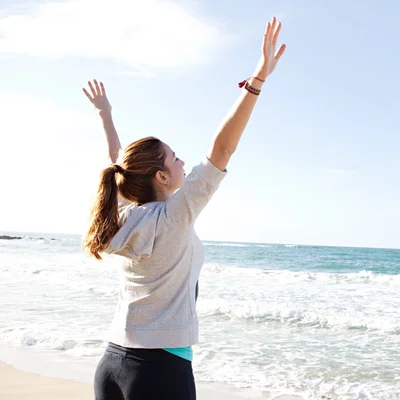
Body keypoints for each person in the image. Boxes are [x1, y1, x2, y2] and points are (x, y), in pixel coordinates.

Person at [83, 17, 286, 400]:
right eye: (175, 159)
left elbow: (118, 161)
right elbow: (222, 148)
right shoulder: (175, 216)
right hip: (160, 371)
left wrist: (105, 114)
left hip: (111, 364)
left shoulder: (123, 214)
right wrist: (257, 80)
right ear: (160, 176)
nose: (183, 163)